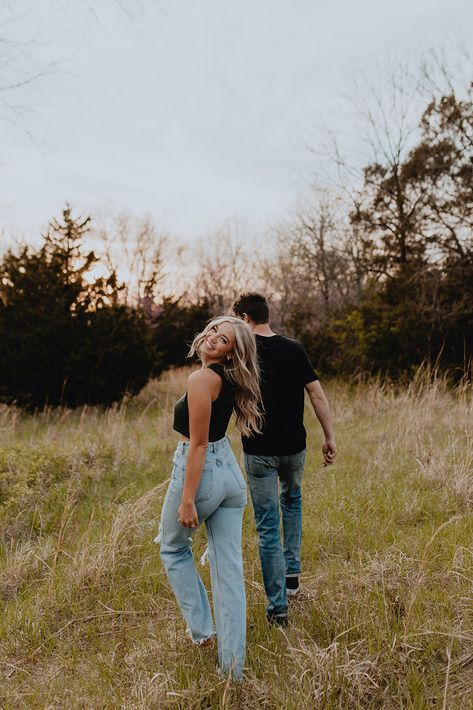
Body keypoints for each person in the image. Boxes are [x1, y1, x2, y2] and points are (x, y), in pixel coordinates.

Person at [157, 315, 263, 680]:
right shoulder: (229, 378)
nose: (214, 339)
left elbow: (198, 445)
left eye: (225, 340)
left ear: (232, 354)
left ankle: (203, 632)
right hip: (231, 475)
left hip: (202, 472)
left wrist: (188, 499)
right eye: (215, 331)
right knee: (228, 570)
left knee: (172, 547)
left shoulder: (201, 379)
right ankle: (233, 670)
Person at [232, 293, 337, 625]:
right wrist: (329, 436)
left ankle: (278, 607)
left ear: (246, 318)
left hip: (258, 451)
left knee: (267, 527)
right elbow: (317, 393)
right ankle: (292, 577)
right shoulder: (294, 348)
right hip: (294, 447)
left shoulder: (240, 353)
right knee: (292, 500)